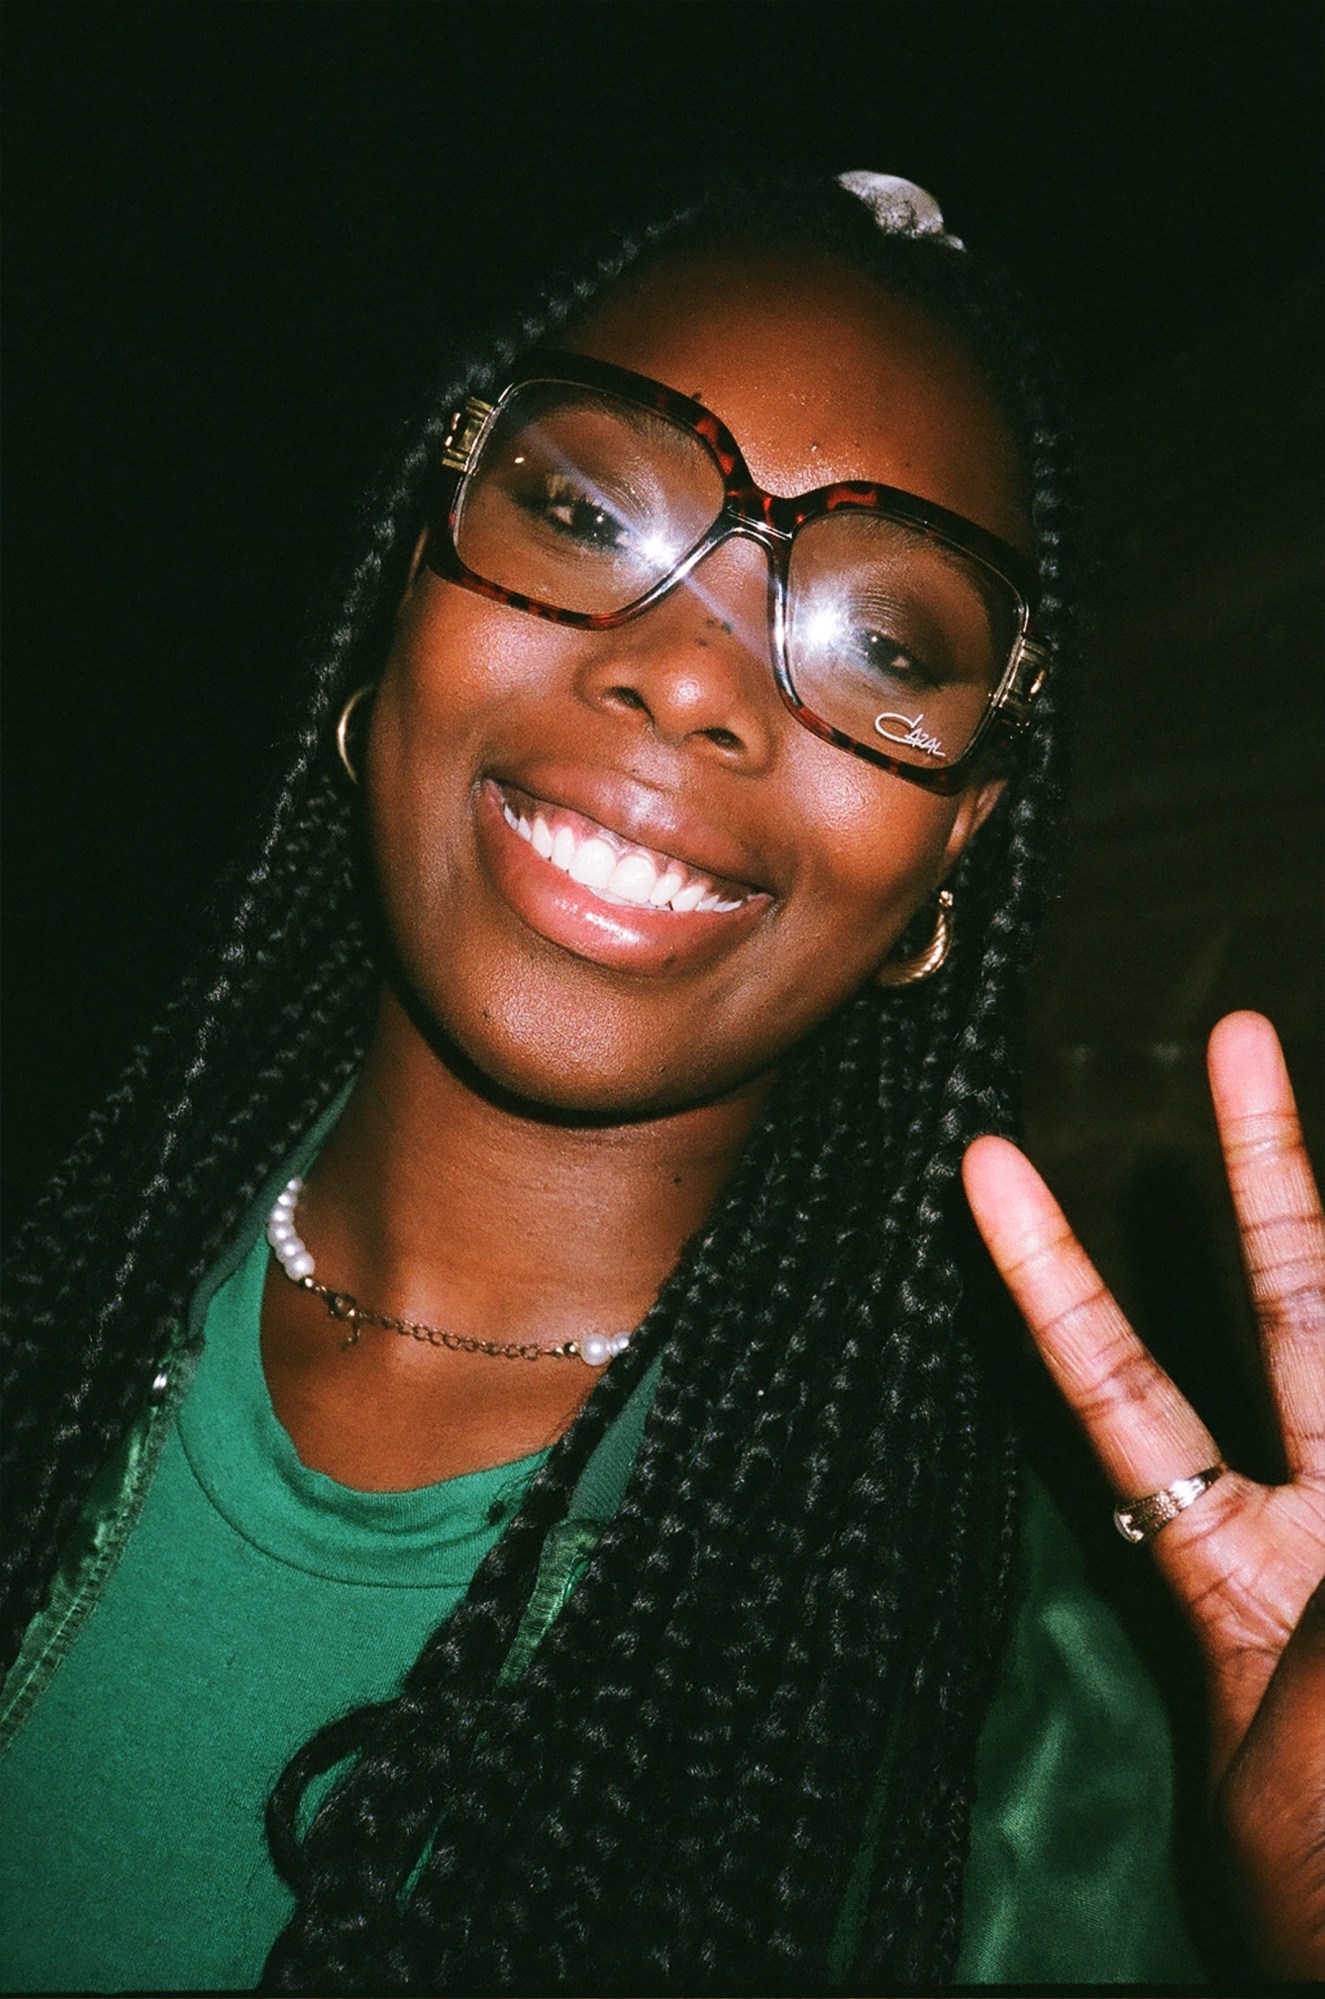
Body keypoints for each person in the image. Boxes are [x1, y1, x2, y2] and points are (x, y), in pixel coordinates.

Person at [1, 169, 1320, 1995]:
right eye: (584, 511)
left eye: (884, 644)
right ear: (400, 614)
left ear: (951, 857)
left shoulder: (1001, 1709)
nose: (692, 678)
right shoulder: (49, 1273)